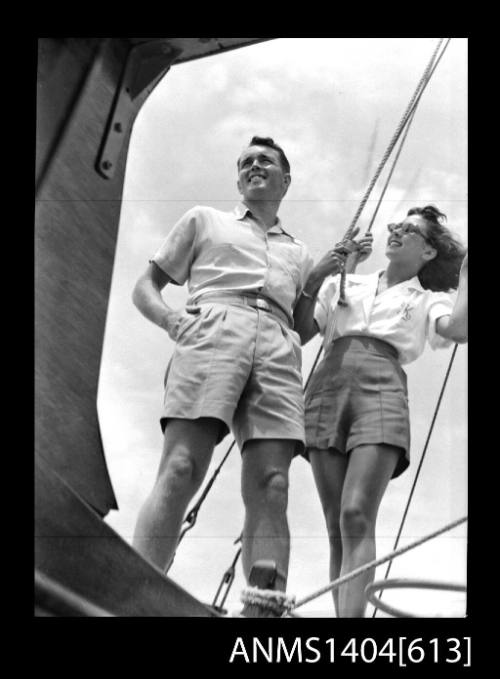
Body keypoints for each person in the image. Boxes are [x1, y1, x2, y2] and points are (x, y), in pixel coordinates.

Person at [131, 136, 349, 609]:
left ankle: (264, 610)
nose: (253, 166)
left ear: (285, 181)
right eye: (246, 162)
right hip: (213, 326)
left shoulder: (300, 253)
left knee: (274, 482)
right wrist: (173, 320)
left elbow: (303, 327)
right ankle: (135, 590)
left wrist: (322, 281)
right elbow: (145, 285)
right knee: (182, 466)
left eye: (265, 161)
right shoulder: (205, 220)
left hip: (277, 338)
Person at [294, 205, 468, 617]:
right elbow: (300, 332)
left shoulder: (428, 300)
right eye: (395, 226)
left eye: (409, 230)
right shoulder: (346, 283)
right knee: (336, 523)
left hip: (382, 388)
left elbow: (459, 330)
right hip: (327, 387)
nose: (396, 231)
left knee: (356, 514)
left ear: (427, 252)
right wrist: (326, 271)